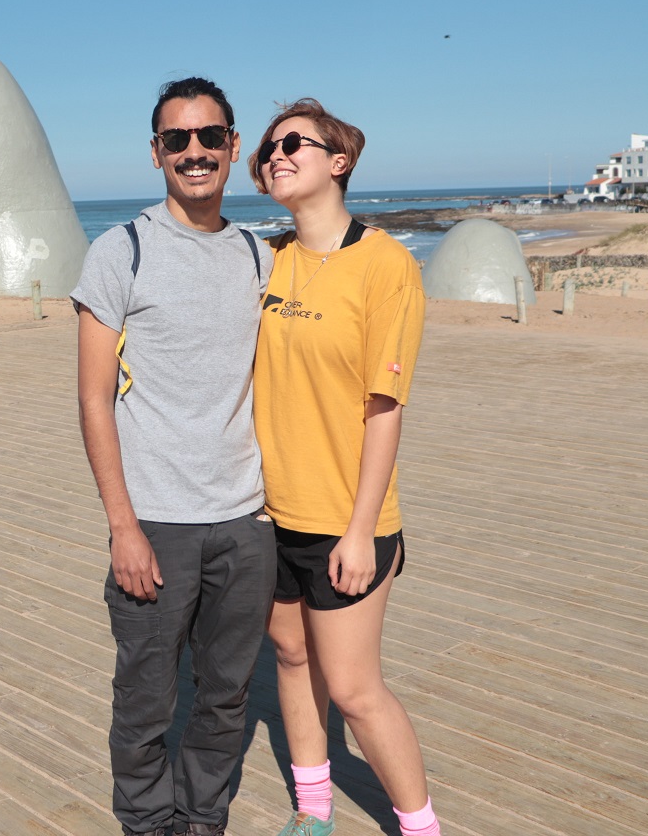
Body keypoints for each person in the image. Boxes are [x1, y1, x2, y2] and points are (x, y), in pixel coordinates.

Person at [71, 77, 277, 836]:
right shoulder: (119, 252)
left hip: (246, 521)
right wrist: (123, 527)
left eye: (210, 137)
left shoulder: (259, 257)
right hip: (155, 523)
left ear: (233, 145)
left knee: (225, 698)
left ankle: (202, 819)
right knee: (146, 701)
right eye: (177, 139)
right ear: (156, 152)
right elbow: (94, 398)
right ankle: (147, 824)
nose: (195, 152)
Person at [249, 99, 440, 836]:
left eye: (293, 143)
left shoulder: (386, 265)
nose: (276, 155)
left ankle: (421, 827)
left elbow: (384, 408)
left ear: (340, 161)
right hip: (267, 512)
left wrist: (362, 531)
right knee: (293, 658)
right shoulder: (266, 259)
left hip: (345, 521)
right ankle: (314, 810)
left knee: (356, 691)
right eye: (267, 149)